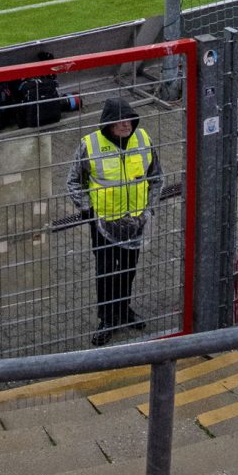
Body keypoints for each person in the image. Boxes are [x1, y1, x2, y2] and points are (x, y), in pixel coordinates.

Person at [69, 99, 160, 346]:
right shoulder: (89, 145)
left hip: (135, 222)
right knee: (106, 271)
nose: (125, 124)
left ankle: (124, 309)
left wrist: (148, 209)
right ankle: (107, 319)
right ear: (108, 124)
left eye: (129, 119)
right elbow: (74, 182)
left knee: (129, 268)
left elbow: (156, 178)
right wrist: (89, 210)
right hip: (104, 224)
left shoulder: (142, 139)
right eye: (120, 120)